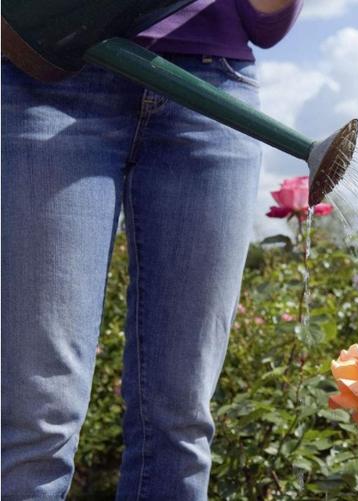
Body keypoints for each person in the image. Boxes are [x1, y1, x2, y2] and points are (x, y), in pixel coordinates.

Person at [1, 0, 302, 498]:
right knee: (38, 419)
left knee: (182, 423)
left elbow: (267, 21)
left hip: (210, 90)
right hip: (45, 71)